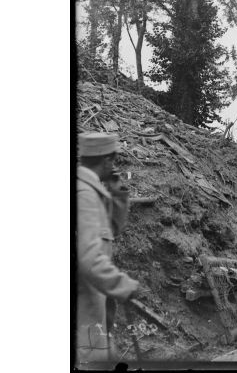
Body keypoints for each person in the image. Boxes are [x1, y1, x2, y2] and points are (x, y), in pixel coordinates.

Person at [76, 132, 141, 367]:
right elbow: (88, 257)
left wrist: (118, 194)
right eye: (112, 161)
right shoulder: (83, 194)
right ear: (106, 161)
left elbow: (111, 230)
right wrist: (121, 285)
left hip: (93, 311)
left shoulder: (91, 191)